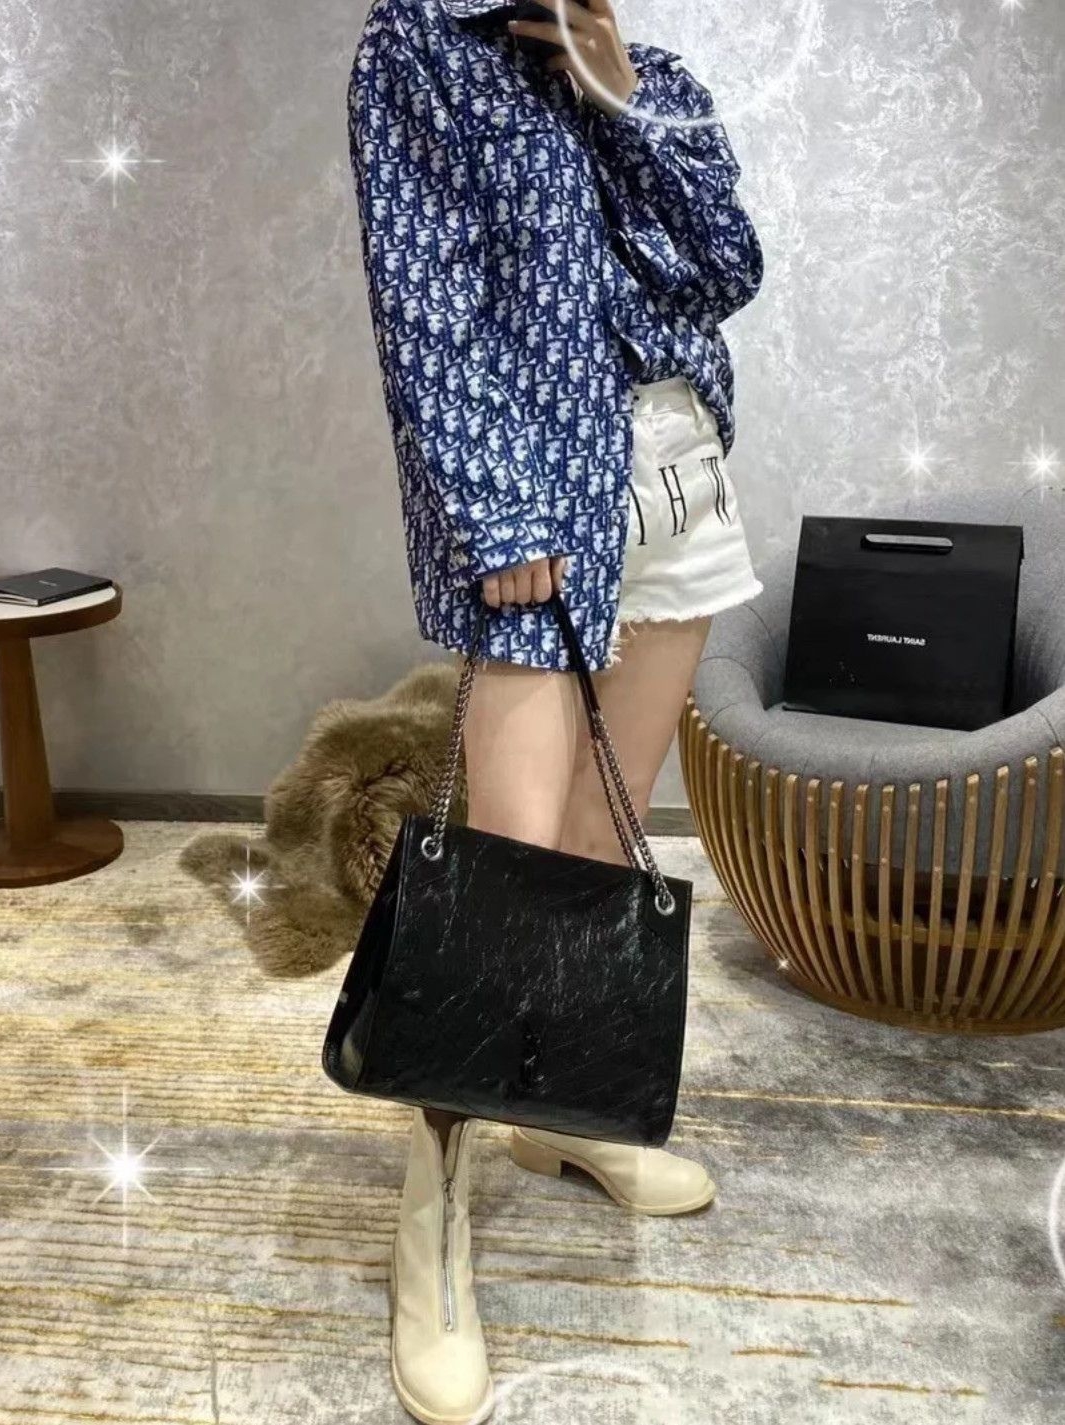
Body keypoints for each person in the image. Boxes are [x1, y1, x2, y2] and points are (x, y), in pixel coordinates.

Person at [347, 1, 765, 1419]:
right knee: (501, 884)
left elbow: (721, 267)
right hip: (533, 500)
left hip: (677, 480)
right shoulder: (418, 42)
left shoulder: (636, 62)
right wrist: (494, 507)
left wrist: (616, 88)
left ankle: (561, 1114)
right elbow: (425, 298)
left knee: (599, 843)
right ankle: (432, 1219)